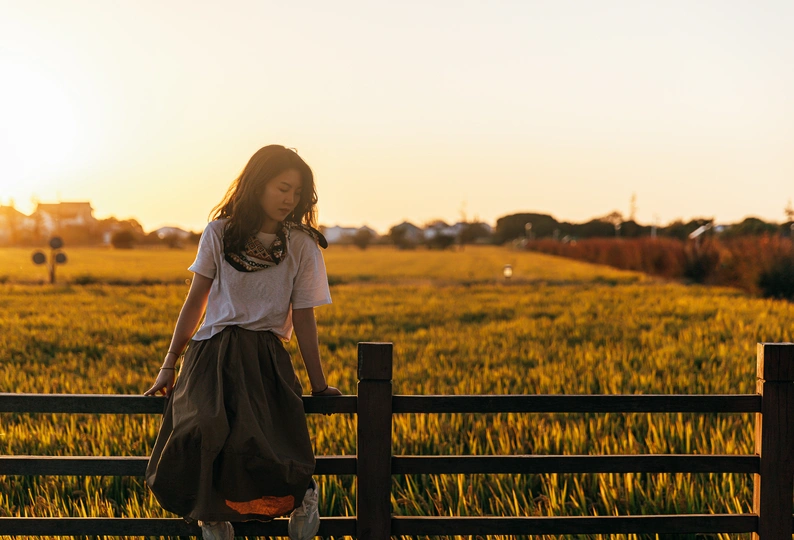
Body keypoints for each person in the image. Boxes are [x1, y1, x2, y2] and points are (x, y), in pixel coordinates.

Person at [143, 144, 341, 540]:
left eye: (297, 193)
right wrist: (169, 364)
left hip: (264, 355)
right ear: (257, 183)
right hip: (209, 353)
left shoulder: (301, 245)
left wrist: (319, 385)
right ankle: (211, 517)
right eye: (283, 187)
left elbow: (304, 319)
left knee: (264, 444)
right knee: (199, 431)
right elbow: (194, 302)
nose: (290, 199)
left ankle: (303, 495)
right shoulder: (220, 233)